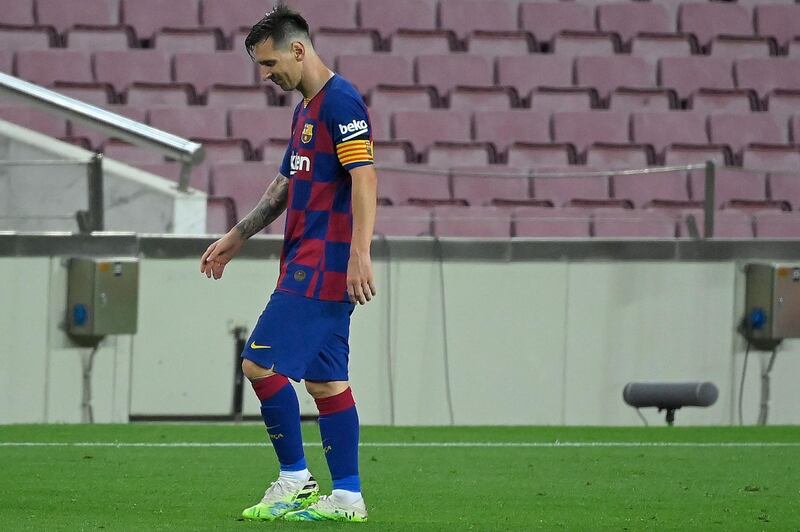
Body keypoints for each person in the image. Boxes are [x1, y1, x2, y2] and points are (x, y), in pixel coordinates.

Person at [199, 3, 377, 523]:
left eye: (270, 62)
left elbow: (364, 177)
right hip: (306, 258)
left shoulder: (341, 102)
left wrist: (359, 254)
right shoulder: (305, 109)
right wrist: (237, 234)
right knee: (327, 384)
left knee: (258, 361)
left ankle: (296, 481)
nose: (266, 74)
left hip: (323, 264)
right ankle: (346, 498)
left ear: (298, 49)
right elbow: (285, 185)